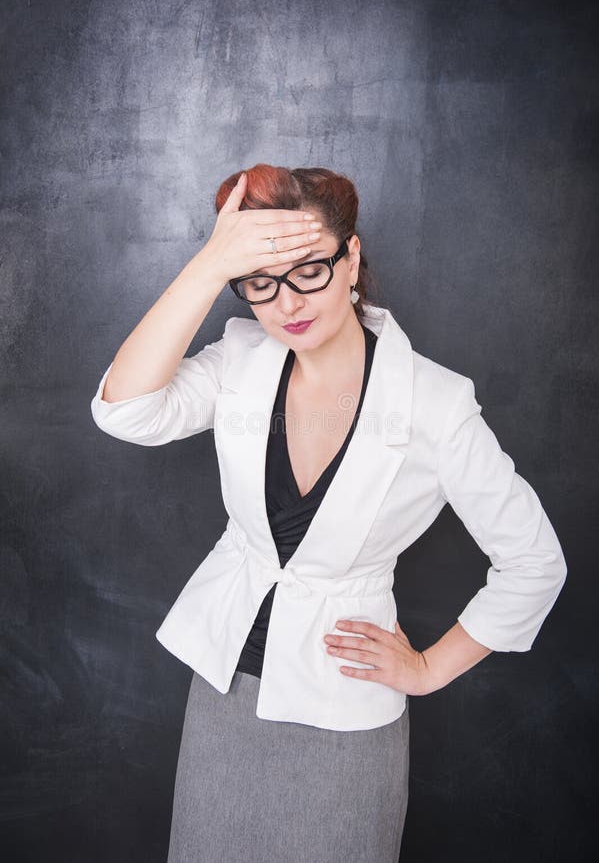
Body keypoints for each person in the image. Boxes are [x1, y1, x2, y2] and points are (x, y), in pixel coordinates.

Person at [90, 164, 567, 863]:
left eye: (310, 269)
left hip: (344, 714)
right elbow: (124, 411)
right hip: (224, 692)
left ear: (350, 258)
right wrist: (206, 268)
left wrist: (430, 668)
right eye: (260, 282)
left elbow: (534, 563)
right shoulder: (241, 360)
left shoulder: (435, 403)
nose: (287, 303)